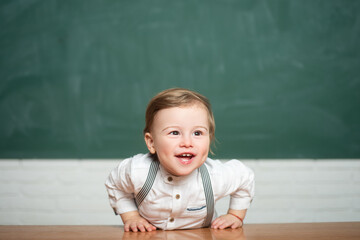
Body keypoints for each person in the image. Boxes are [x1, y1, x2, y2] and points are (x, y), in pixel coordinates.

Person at [105, 88, 255, 232]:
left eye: (197, 133)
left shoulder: (215, 177)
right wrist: (131, 216)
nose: (187, 142)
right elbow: (115, 184)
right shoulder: (138, 171)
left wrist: (235, 215)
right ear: (151, 143)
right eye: (175, 132)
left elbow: (245, 177)